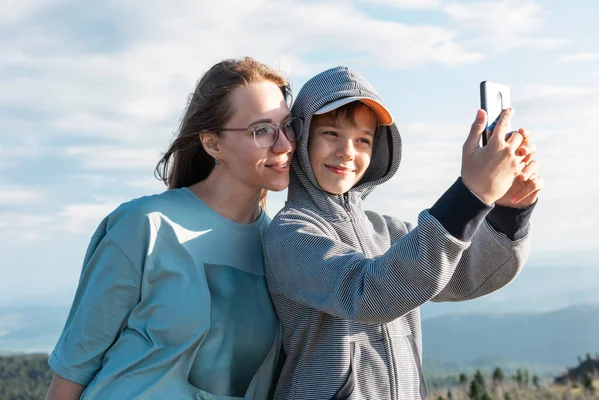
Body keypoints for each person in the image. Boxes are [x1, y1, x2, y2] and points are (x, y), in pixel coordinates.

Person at [263, 66, 542, 400]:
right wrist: (470, 194)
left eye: (362, 140)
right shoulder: (291, 233)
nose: (347, 152)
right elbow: (368, 292)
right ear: (302, 138)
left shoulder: (386, 229)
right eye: (331, 134)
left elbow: (464, 274)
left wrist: (510, 212)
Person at [45, 57, 301, 400]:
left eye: (288, 126)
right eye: (262, 130)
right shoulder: (144, 226)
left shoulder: (281, 246)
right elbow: (73, 369)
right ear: (213, 144)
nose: (283, 144)